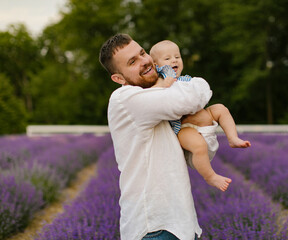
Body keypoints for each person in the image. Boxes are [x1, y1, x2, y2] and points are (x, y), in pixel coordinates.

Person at [99, 34, 210, 240]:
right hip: (154, 228)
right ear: (118, 78)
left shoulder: (157, 100)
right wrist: (196, 85)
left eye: (142, 53)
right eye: (132, 62)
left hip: (182, 223)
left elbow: (197, 154)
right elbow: (194, 95)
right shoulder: (125, 98)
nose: (144, 61)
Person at [150, 40, 251, 192]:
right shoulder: (160, 83)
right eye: (167, 58)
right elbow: (160, 98)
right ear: (157, 66)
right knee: (199, 146)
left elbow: (201, 94)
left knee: (220, 108)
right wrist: (165, 82)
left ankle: (233, 138)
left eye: (177, 56)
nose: (174, 60)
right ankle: (210, 176)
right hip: (184, 127)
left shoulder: (187, 80)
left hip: (204, 118)